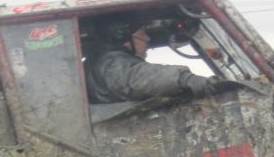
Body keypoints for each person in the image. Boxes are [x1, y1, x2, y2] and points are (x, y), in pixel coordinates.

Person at [85, 23, 220, 104]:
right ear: (126, 39)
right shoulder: (110, 63)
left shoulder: (103, 62)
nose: (148, 39)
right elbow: (135, 78)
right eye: (142, 34)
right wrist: (184, 79)